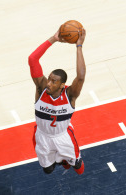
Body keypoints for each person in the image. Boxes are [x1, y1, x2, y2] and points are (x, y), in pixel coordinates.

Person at [28, 27, 86, 175]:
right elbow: (32, 59)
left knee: (79, 170)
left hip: (62, 136)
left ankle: (65, 159)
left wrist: (79, 46)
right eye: (49, 79)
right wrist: (53, 39)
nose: (48, 83)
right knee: (48, 170)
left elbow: (80, 77)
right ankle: (60, 160)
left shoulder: (70, 95)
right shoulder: (41, 88)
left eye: (53, 82)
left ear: (62, 85)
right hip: (42, 135)